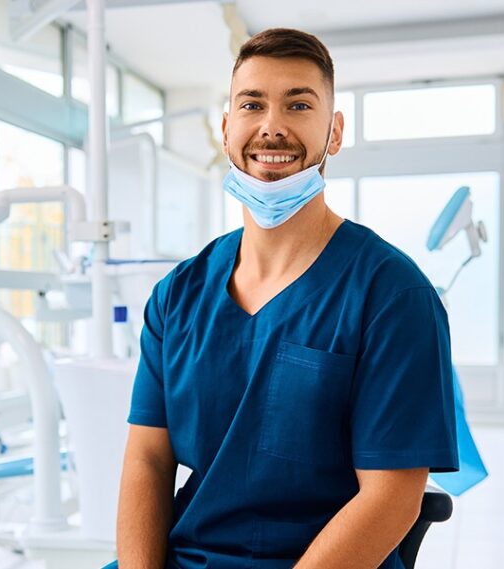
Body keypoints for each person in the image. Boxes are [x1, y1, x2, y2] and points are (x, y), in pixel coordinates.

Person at [116, 28, 459, 569]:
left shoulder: (392, 295)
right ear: (226, 129)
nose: (271, 126)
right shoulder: (177, 295)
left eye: (298, 105)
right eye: (252, 104)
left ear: (334, 132)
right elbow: (148, 460)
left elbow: (392, 497)